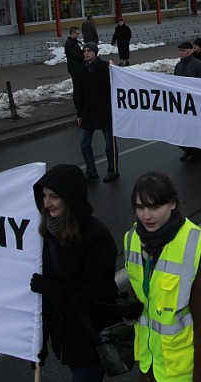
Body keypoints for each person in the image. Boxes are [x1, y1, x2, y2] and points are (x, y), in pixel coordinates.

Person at [123, 172, 201, 381]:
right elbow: (142, 288)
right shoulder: (132, 238)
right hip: (149, 364)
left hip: (181, 371)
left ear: (172, 204)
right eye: (140, 207)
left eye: (155, 207)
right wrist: (130, 303)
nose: (146, 216)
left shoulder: (193, 246)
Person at [29, 164, 120, 380]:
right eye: (43, 196)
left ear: (71, 198)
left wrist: (47, 287)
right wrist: (39, 344)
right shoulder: (50, 234)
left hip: (91, 339)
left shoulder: (98, 237)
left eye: (53, 197)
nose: (46, 204)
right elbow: (47, 302)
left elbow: (89, 300)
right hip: (67, 340)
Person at [75, 42, 119, 183]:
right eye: (84, 51)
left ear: (95, 52)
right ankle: (91, 171)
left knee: (109, 144)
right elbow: (79, 93)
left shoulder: (106, 68)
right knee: (84, 143)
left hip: (105, 111)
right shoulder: (81, 70)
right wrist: (79, 113)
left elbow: (118, 84)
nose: (86, 53)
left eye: (89, 51)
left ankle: (112, 170)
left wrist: (116, 69)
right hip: (88, 112)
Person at [174, 41, 201, 162]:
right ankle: (187, 149)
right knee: (181, 130)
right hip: (182, 103)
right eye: (180, 51)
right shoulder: (178, 65)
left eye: (183, 51)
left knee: (194, 130)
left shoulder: (198, 65)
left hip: (195, 104)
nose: (180, 53)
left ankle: (197, 152)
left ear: (190, 51)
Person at [64, 26, 84, 108]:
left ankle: (80, 102)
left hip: (77, 67)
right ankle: (77, 104)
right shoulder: (69, 43)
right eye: (77, 33)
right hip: (75, 68)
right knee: (77, 87)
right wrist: (83, 54)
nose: (78, 35)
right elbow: (75, 56)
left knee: (79, 86)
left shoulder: (74, 42)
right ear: (72, 33)